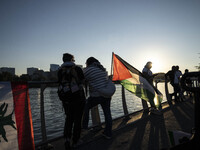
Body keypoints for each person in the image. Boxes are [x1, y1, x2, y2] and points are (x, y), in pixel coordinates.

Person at [57, 53, 85, 149]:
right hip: (78, 98)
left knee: (68, 119)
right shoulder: (77, 69)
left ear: (63, 60)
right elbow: (82, 80)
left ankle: (67, 139)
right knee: (78, 120)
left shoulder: (60, 70)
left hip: (66, 100)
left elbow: (59, 82)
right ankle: (76, 141)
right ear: (72, 60)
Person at [82, 57, 112, 139]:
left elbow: (81, 77)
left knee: (85, 106)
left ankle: (84, 127)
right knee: (107, 114)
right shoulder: (103, 69)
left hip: (96, 95)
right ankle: (108, 133)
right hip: (107, 95)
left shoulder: (88, 70)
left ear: (88, 63)